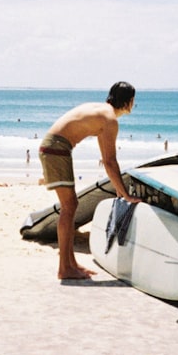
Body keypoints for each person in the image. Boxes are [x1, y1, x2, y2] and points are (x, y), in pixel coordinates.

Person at [38, 81, 141, 280]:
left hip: (54, 147)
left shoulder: (102, 112)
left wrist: (120, 189)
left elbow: (106, 158)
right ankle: (64, 268)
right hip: (56, 149)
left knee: (71, 205)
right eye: (134, 101)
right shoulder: (110, 119)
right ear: (128, 101)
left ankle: (71, 264)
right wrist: (126, 194)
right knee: (69, 207)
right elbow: (110, 162)